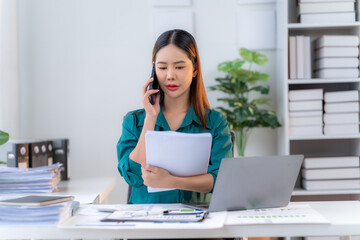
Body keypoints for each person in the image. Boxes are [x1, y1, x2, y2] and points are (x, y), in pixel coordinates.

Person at [117, 29, 232, 204]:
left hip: (197, 222)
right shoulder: (134, 121)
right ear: (154, 70)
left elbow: (221, 180)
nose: (170, 75)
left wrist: (171, 181)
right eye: (162, 67)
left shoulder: (215, 122)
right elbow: (132, 176)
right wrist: (150, 118)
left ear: (194, 69)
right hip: (147, 223)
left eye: (179, 67)